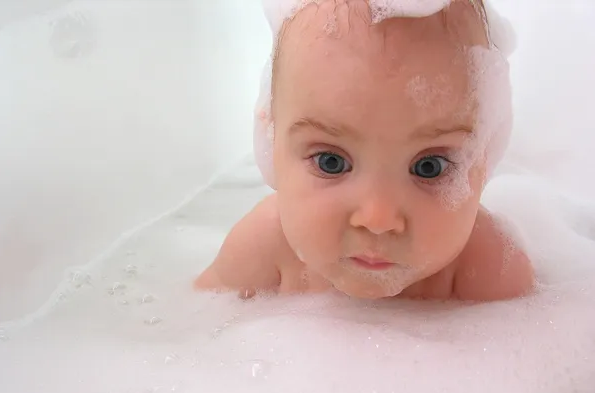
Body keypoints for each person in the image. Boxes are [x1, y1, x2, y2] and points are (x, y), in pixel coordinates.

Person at [195, 0, 535, 301]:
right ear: (272, 142)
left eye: (429, 166)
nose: (378, 219)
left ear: (484, 157)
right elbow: (196, 333)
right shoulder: (260, 251)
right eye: (331, 162)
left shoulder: (490, 269)